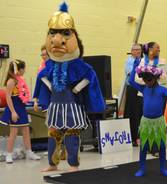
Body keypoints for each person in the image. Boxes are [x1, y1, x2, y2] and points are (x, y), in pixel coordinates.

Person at [33, 2, 105, 172]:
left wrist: (77, 88)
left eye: (65, 34)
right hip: (55, 106)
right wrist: (44, 91)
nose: (57, 40)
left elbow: (89, 76)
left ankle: (73, 164)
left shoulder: (78, 65)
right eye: (53, 34)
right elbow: (42, 77)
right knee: (53, 134)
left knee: (72, 135)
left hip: (72, 106)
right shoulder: (50, 64)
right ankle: (52, 164)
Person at [0, 60, 41, 163]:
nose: (25, 70)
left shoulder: (20, 80)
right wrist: (13, 112)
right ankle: (8, 154)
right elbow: (8, 98)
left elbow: (23, 95)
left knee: (26, 131)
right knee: (13, 132)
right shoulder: (11, 81)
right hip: (14, 108)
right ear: (19, 69)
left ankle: (29, 152)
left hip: (21, 108)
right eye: (24, 68)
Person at [124, 43, 143, 147]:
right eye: (135, 50)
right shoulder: (129, 61)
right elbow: (131, 73)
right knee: (132, 113)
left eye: (139, 50)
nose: (137, 52)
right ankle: (133, 137)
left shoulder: (143, 60)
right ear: (131, 51)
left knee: (141, 112)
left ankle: (141, 136)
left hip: (142, 88)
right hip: (132, 89)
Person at [33, 44, 49, 112]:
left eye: (45, 54)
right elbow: (38, 84)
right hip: (45, 96)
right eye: (42, 55)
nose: (43, 57)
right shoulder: (41, 68)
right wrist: (35, 101)